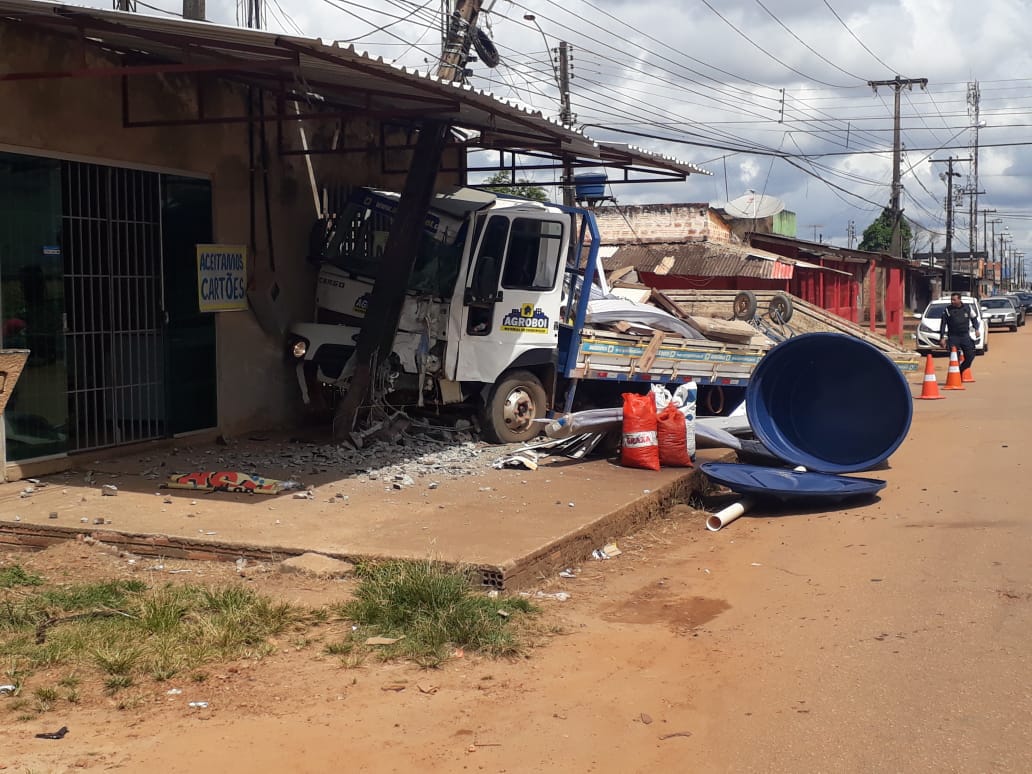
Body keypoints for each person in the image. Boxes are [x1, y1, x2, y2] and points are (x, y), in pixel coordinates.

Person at [939, 292, 981, 375]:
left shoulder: (968, 308)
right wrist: (942, 337)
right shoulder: (947, 310)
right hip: (953, 337)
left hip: (965, 336)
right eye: (951, 300)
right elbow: (943, 324)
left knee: (970, 356)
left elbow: (974, 318)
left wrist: (976, 329)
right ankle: (955, 376)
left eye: (954, 300)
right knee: (955, 358)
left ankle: (961, 370)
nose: (952, 301)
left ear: (959, 299)